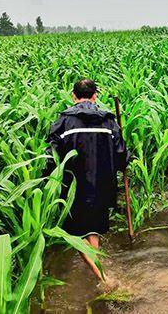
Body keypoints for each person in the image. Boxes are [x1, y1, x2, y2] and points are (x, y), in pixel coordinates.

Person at [43, 78, 129, 285]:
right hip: (102, 187)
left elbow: (51, 158)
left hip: (74, 189)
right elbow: (121, 156)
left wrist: (46, 181)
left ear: (73, 97)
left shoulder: (63, 122)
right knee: (92, 229)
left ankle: (102, 279)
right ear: (94, 97)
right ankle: (100, 271)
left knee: (77, 234)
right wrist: (125, 161)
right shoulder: (109, 122)